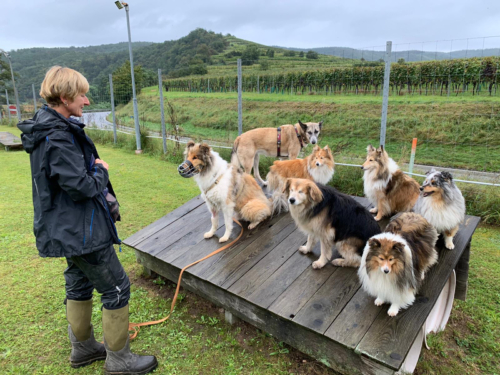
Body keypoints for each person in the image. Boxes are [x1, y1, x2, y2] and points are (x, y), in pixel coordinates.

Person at [17, 66, 157, 374]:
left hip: (68, 228)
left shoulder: (49, 128)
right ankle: (120, 360)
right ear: (66, 97)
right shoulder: (57, 135)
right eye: (82, 94)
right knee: (117, 288)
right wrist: (100, 169)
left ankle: (83, 349)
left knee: (79, 282)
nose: (87, 101)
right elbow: (81, 187)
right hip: (81, 229)